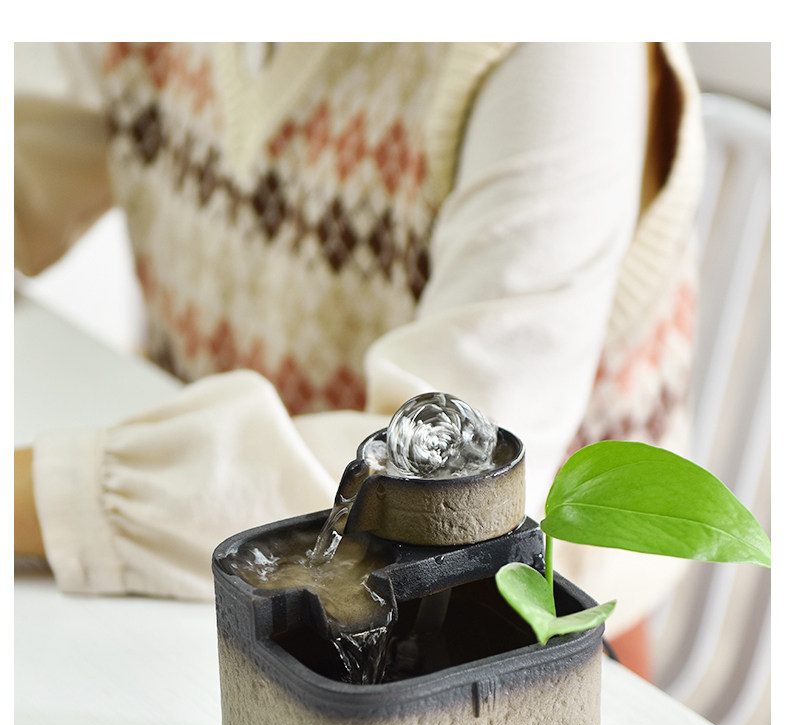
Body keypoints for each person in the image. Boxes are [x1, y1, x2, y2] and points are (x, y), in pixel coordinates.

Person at [14, 42, 704, 679]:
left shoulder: (567, 53)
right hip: (188, 572)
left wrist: (48, 492)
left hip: (504, 659)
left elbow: (451, 496)